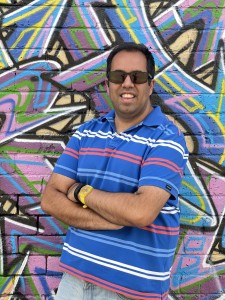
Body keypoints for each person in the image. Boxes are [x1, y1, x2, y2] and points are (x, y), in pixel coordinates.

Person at [41, 42, 189, 300]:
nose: (128, 83)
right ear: (107, 85)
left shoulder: (167, 140)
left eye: (138, 77)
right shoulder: (86, 133)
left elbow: (141, 212)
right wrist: (113, 219)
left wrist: (79, 191)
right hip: (74, 281)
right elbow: (51, 199)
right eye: (118, 76)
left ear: (150, 85)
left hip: (130, 292)